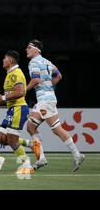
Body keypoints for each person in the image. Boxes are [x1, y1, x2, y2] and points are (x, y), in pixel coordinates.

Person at [25, 40, 84, 171]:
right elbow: (59, 76)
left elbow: (35, 80)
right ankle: (41, 158)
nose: (26, 49)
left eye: (29, 47)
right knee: (30, 127)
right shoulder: (47, 62)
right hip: (46, 99)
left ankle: (77, 154)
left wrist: (24, 90)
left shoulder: (33, 62)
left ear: (36, 50)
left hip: (45, 101)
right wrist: (49, 86)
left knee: (56, 129)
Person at [0, 51, 34, 175]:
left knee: (12, 140)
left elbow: (20, 92)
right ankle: (30, 144)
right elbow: (11, 95)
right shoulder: (9, 74)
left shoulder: (16, 74)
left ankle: (27, 165)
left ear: (11, 61)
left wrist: (2, 98)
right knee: (1, 139)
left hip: (19, 109)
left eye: (5, 58)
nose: (3, 60)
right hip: (12, 109)